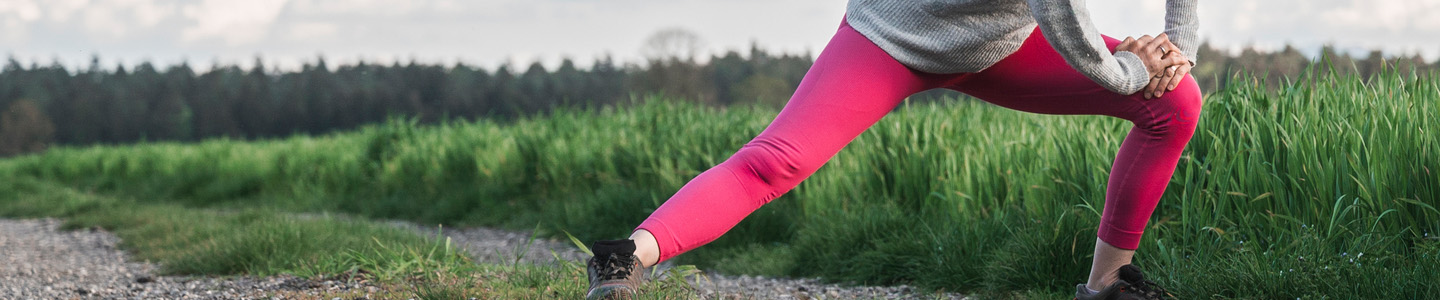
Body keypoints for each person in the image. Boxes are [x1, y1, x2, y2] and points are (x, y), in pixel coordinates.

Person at [585, 0, 1200, 299]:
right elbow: (1066, 21)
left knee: (1176, 102)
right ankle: (626, 257)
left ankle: (1106, 285)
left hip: (1000, 44)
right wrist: (1127, 70)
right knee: (779, 158)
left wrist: (1177, 51)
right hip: (891, 38)